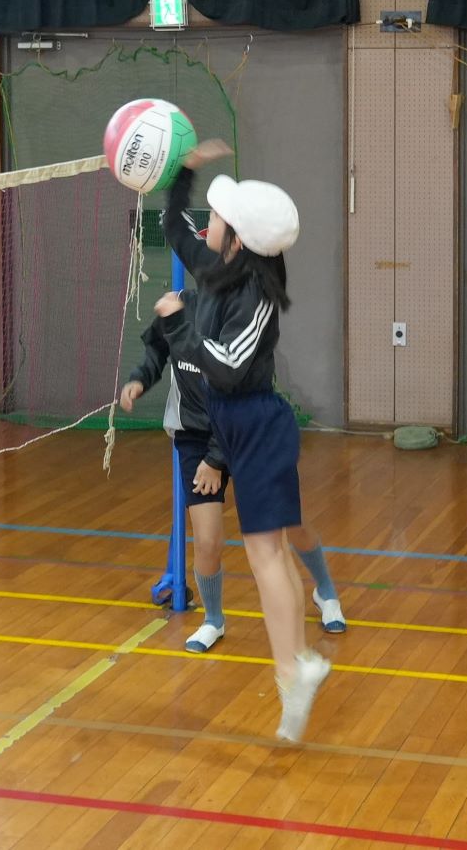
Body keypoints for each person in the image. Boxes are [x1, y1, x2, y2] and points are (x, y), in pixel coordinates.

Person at [154, 138, 329, 742]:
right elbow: (172, 225)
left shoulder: (253, 295)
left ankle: (294, 669)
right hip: (234, 424)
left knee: (266, 555)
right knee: (268, 555)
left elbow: (226, 369)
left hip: (257, 426)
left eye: (218, 217)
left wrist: (177, 325)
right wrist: (183, 171)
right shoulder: (218, 270)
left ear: (238, 240)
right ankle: (296, 669)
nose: (208, 220)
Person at [119, 317, 347, 654]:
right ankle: (213, 619)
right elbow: (157, 345)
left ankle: (325, 591)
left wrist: (215, 460)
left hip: (250, 432)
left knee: (290, 522)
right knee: (208, 540)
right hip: (195, 437)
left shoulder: (245, 319)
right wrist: (140, 378)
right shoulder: (182, 308)